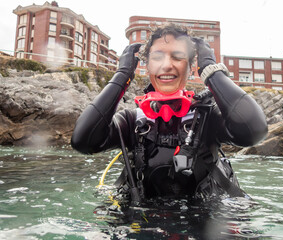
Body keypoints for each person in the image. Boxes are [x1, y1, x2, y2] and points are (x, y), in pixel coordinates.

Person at [71, 24, 268, 201]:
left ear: (191, 68)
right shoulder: (131, 121)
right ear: (147, 66)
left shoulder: (208, 118)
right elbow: (83, 141)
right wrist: (122, 75)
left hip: (205, 225)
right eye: (157, 57)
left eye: (178, 56)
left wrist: (211, 70)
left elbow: (254, 130)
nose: (167, 65)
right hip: (140, 225)